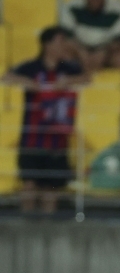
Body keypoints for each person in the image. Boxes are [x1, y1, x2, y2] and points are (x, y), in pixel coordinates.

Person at [3, 27, 88, 214]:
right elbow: (6, 76)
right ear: (46, 45)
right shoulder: (31, 67)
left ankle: (47, 228)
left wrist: (70, 79)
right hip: (32, 138)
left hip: (57, 139)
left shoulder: (68, 68)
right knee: (29, 184)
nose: (63, 46)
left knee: (51, 187)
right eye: (59, 41)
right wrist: (29, 84)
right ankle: (26, 226)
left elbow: (87, 77)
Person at [60, 0, 120, 73]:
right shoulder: (72, 6)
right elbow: (65, 37)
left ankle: (113, 88)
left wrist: (103, 52)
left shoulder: (117, 9)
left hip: (105, 50)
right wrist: (81, 52)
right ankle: (70, 84)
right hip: (78, 49)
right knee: (63, 53)